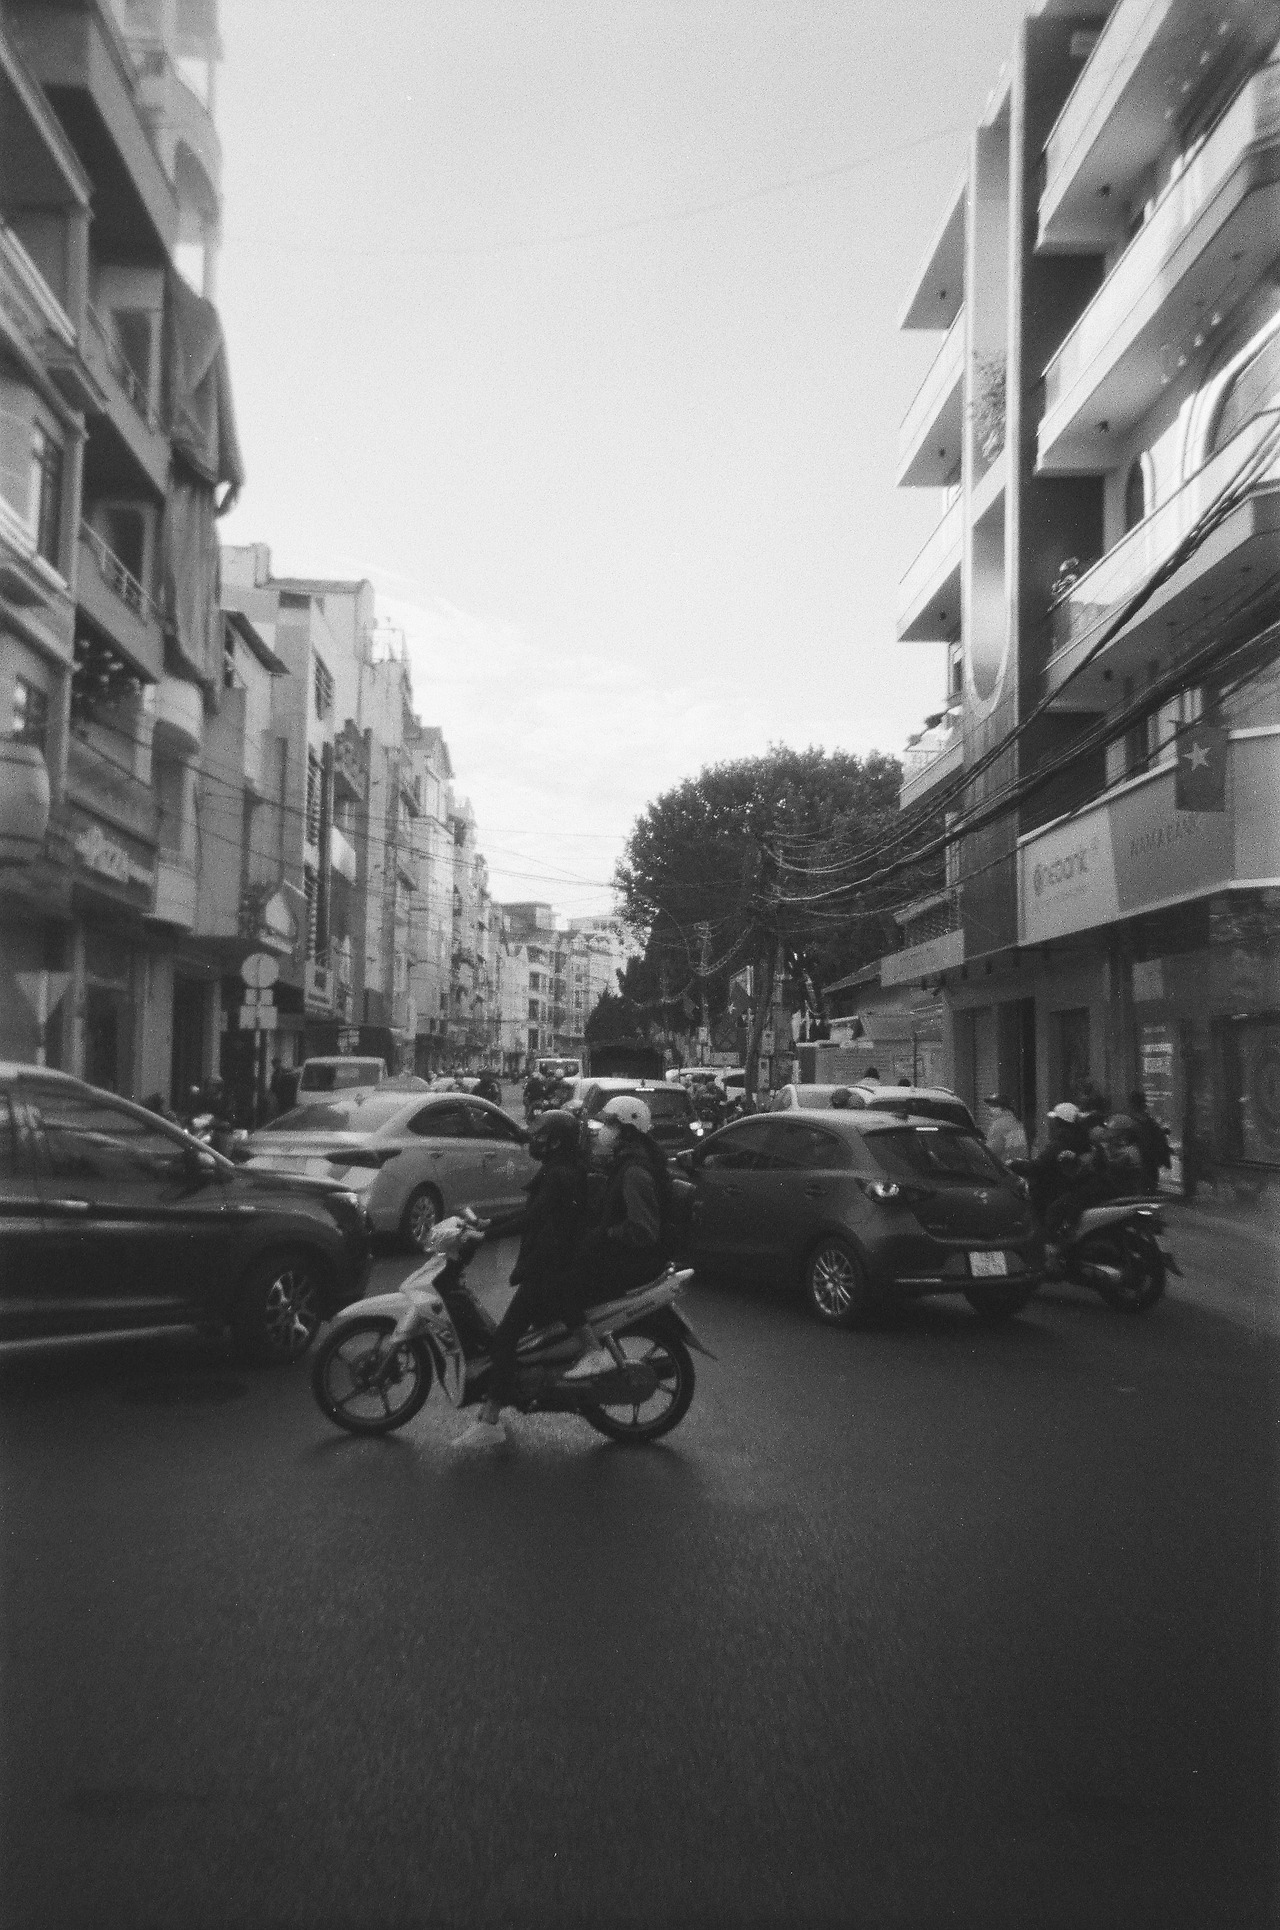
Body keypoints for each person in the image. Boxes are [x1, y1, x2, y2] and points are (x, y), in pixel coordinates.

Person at [451, 1109, 592, 1451]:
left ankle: (490, 1421)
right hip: (551, 1264)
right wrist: (488, 1223)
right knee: (514, 1338)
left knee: (504, 1340)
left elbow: (533, 1218)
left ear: (556, 1142)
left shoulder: (559, 1174)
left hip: (548, 1269)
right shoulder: (560, 1169)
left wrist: (485, 1236)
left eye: (542, 1136)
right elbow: (532, 1210)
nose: (535, 1141)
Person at [563, 1095, 672, 1380]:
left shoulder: (635, 1171)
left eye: (611, 1124)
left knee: (561, 1284)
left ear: (628, 1129)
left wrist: (604, 1234)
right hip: (626, 1254)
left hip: (634, 1260)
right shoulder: (626, 1162)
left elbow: (643, 1230)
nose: (605, 1130)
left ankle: (592, 1351)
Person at [1128, 1089, 1171, 1195]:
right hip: (1151, 1165)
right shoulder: (1150, 1122)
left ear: (1132, 1104)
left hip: (1138, 1167)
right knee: (1150, 1193)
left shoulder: (1131, 1123)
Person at [984, 1093, 1029, 1164]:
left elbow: (991, 1151)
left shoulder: (998, 1125)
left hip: (1007, 1164)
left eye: (993, 1106)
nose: (990, 1109)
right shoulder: (1017, 1122)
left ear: (1003, 1108)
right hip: (1022, 1163)